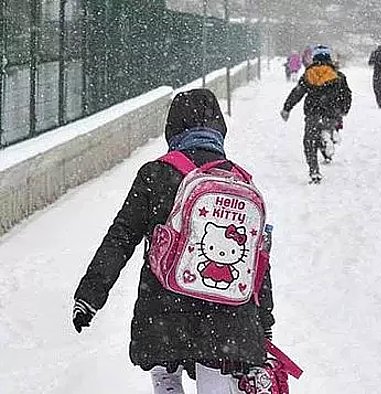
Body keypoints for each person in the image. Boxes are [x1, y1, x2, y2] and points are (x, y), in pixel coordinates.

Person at [72, 89, 275, 394]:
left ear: (173, 128)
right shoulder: (239, 181)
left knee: (166, 377)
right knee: (217, 378)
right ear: (218, 128)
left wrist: (90, 294)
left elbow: (122, 236)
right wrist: (264, 320)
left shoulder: (155, 174)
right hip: (226, 315)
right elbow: (256, 260)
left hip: (164, 308)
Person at [280, 45, 352, 183]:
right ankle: (328, 140)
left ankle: (314, 171)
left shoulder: (308, 75)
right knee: (325, 130)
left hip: (313, 113)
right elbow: (347, 95)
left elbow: (297, 93)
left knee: (310, 141)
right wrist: (343, 110)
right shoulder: (338, 76)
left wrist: (287, 108)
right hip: (331, 114)